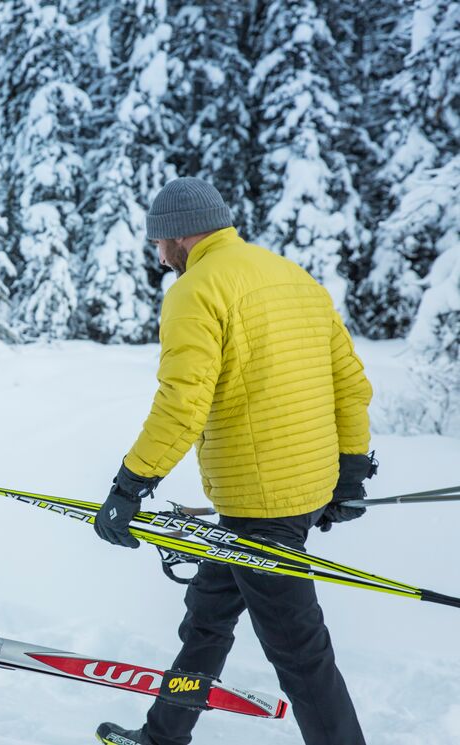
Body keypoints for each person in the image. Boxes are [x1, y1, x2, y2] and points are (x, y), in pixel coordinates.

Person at [92, 178, 375, 745]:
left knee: (300, 653)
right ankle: (163, 736)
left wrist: (131, 484)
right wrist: (348, 472)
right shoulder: (292, 276)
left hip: (261, 502)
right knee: (207, 618)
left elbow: (182, 402)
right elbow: (350, 382)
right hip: (300, 485)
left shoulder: (196, 289)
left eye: (159, 244)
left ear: (177, 236)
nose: (160, 256)